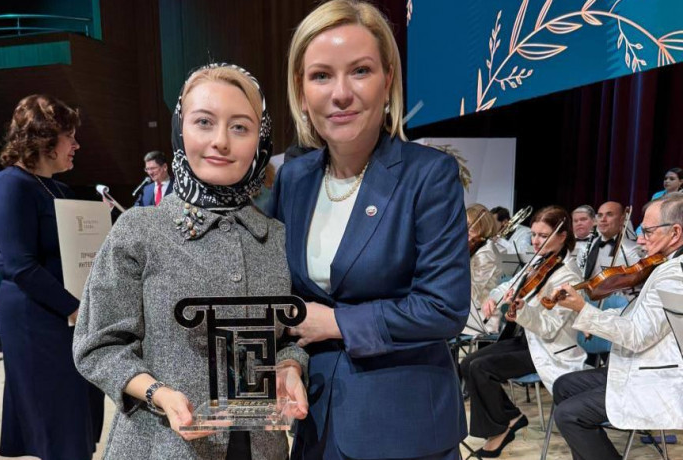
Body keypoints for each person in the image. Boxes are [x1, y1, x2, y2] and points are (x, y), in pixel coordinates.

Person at [73, 63, 308, 460]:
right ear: (180, 130)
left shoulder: (277, 239)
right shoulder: (139, 231)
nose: (221, 141)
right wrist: (158, 393)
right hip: (160, 445)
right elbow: (97, 345)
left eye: (240, 127)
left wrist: (290, 368)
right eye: (204, 122)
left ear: (260, 139)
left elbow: (287, 338)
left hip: (262, 448)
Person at [268, 1, 470, 458]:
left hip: (405, 428)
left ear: (388, 79)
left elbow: (444, 308)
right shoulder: (294, 180)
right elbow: (284, 296)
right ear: (301, 90)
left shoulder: (429, 175)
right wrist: (288, 361)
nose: (340, 93)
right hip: (316, 420)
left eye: (360, 71)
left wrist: (336, 322)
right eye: (321, 75)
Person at [0, 94, 104, 460]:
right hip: (38, 319)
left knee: (79, 417)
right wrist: (76, 309)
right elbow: (20, 265)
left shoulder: (59, 188)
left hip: (69, 316)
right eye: (70, 136)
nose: (76, 145)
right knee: (59, 423)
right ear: (45, 139)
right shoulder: (10, 184)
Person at [551, 193, 683, 460]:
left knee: (569, 415)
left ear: (676, 233)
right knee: (564, 385)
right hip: (639, 365)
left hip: (657, 379)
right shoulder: (664, 265)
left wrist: (584, 310)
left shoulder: (675, 275)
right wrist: (589, 314)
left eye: (647, 231)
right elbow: (635, 317)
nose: (640, 239)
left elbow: (636, 335)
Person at [462, 206, 587, 458]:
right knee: (467, 364)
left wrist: (522, 311)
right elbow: (509, 285)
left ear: (562, 236)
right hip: (526, 340)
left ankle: (501, 428)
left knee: (480, 368)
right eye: (534, 234)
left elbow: (550, 328)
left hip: (549, 348)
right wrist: (494, 297)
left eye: (543, 236)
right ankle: (508, 418)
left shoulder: (569, 276)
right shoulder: (538, 260)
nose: (536, 241)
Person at [583, 202, 644, 284]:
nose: (603, 219)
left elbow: (634, 282)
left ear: (622, 219)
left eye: (609, 215)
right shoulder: (586, 246)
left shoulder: (632, 250)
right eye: (600, 215)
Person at [465, 204, 503, 335]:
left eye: (469, 225)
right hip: (465, 316)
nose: (465, 229)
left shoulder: (486, 254)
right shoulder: (474, 246)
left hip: (480, 320)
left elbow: (471, 293)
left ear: (482, 226)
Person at [571, 205, 597, 273]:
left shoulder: (602, 243)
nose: (579, 223)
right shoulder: (565, 243)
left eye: (583, 219)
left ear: (594, 221)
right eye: (575, 221)